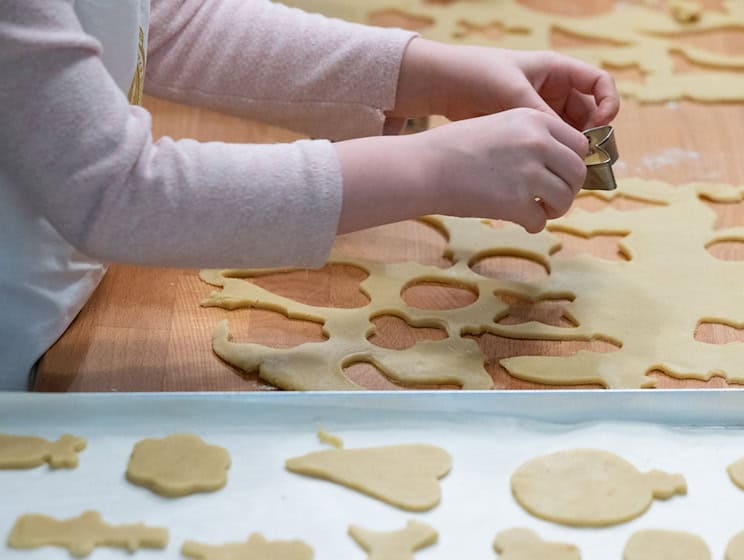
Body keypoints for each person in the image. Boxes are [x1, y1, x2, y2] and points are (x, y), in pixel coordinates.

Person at [0, 0, 619, 390]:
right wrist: (434, 168)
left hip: (64, 319)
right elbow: (117, 193)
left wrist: (427, 75)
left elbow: (166, 18)